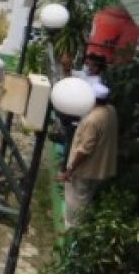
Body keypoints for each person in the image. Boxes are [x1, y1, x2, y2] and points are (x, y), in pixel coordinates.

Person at [59, 82, 118, 227]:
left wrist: (70, 170)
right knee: (86, 200)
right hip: (99, 169)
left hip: (84, 170)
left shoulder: (92, 119)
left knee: (76, 202)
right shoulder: (110, 110)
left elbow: (85, 150)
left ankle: (72, 231)